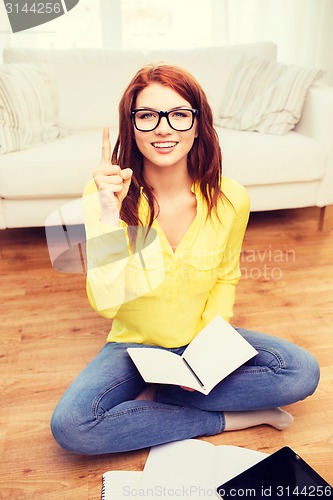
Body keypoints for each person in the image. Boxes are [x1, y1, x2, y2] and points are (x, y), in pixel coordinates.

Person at [50, 64, 320, 455]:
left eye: (179, 115)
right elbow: (106, 302)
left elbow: (227, 275)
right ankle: (221, 417)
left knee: (301, 372)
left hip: (201, 340)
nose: (163, 128)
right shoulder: (103, 197)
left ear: (198, 126)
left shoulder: (232, 197)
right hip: (133, 345)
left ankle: (163, 397)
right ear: (132, 128)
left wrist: (209, 351)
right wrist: (109, 215)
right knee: (73, 426)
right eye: (147, 116)